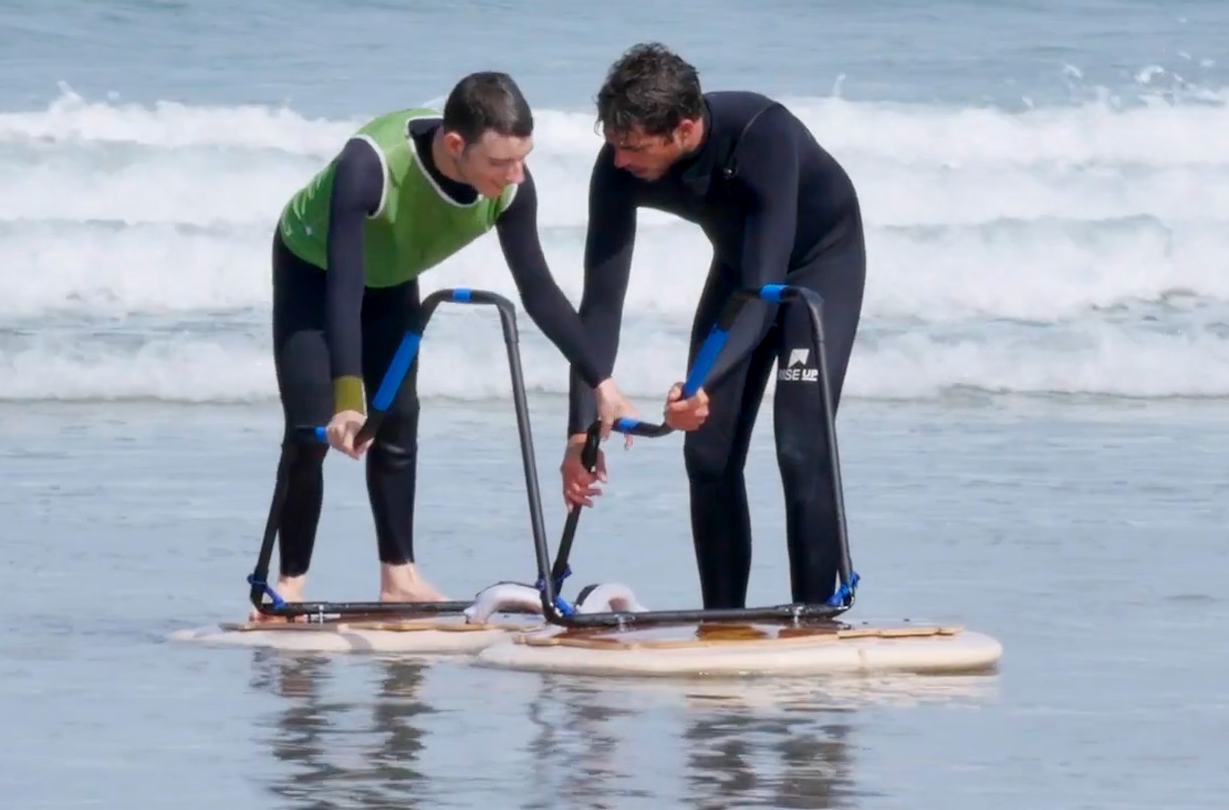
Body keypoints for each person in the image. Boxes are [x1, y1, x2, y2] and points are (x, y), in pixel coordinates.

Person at [260, 70, 637, 619]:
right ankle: (287, 584)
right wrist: (347, 396)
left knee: (397, 421)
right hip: (313, 272)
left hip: (392, 276)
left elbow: (538, 291)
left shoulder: (511, 188)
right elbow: (343, 287)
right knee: (310, 428)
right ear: (455, 145)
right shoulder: (370, 166)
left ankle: (400, 577)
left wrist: (602, 383)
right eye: (499, 163)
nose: (514, 176)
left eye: (522, 159)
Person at [560, 43, 867, 610]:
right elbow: (600, 305)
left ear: (683, 128)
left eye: (632, 147)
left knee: (800, 450)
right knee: (707, 456)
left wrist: (701, 383)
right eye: (613, 144)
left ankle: (816, 619)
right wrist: (582, 431)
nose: (619, 160)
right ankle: (724, 621)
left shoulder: (761, 134)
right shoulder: (618, 163)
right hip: (740, 272)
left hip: (817, 270)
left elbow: (766, 290)